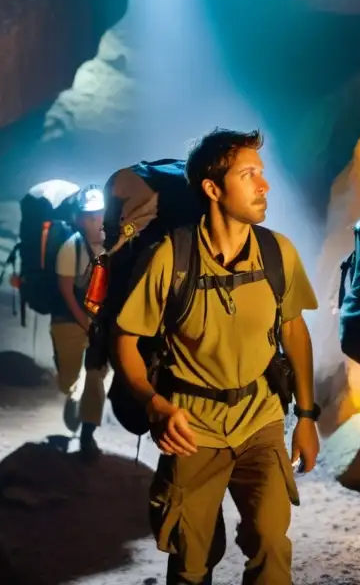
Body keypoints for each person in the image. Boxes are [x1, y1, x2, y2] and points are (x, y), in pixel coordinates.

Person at [113, 128, 321, 585]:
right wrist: (155, 405)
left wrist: (305, 415)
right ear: (212, 189)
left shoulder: (276, 252)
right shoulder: (170, 258)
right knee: (191, 559)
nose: (264, 186)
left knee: (270, 543)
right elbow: (125, 341)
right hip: (193, 426)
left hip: (259, 417)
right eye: (249, 175)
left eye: (262, 174)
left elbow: (293, 331)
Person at [51, 185, 108, 459]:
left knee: (96, 378)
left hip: (100, 324)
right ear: (80, 219)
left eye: (99, 215)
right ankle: (73, 393)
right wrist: (85, 323)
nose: (96, 221)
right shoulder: (70, 247)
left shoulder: (114, 247)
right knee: (70, 380)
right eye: (90, 216)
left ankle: (87, 434)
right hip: (69, 320)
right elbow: (65, 289)